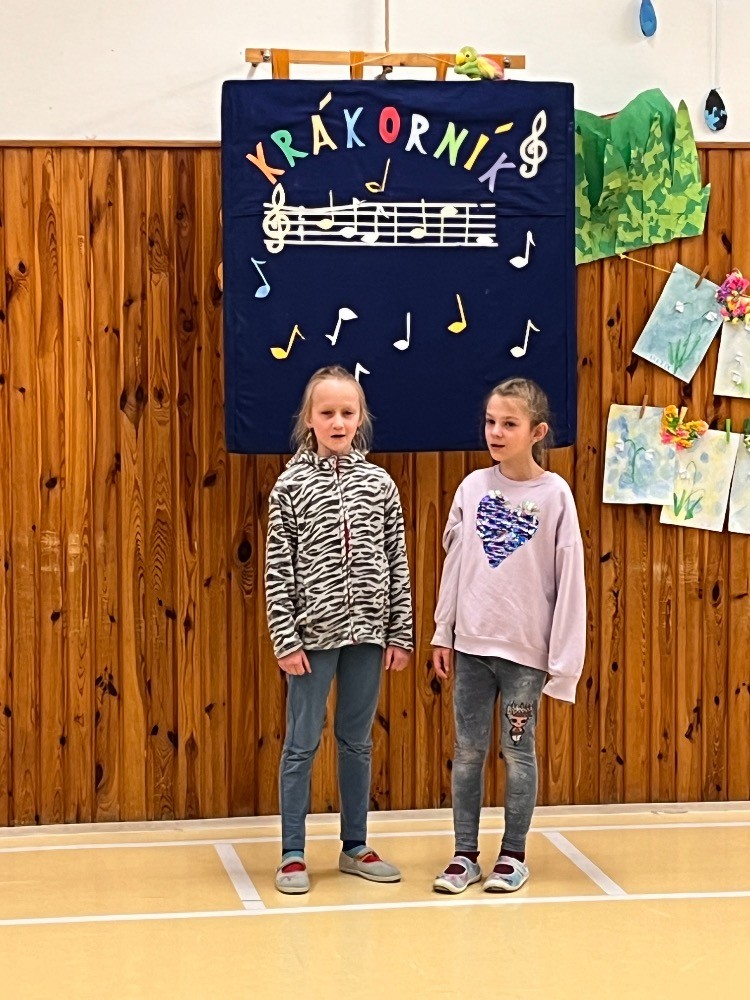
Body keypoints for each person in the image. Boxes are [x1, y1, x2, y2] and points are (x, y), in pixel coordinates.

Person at [431, 377, 585, 894]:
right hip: (472, 647)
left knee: (518, 753)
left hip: (525, 655)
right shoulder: (472, 488)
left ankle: (513, 855)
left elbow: (570, 578)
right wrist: (443, 631)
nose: (495, 432)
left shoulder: (555, 495)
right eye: (491, 422)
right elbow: (455, 565)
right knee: (468, 751)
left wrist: (563, 663)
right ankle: (464, 855)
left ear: (537, 432)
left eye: (509, 424)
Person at [265, 365, 413, 895]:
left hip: (368, 635)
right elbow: (277, 568)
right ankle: (292, 852)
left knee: (356, 741)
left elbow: (396, 559)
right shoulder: (289, 486)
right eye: (326, 412)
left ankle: (355, 845)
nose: (337, 422)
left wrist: (400, 632)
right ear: (309, 419)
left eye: (347, 413)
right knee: (302, 742)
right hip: (311, 639)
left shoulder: (380, 484)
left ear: (360, 417)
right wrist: (286, 638)